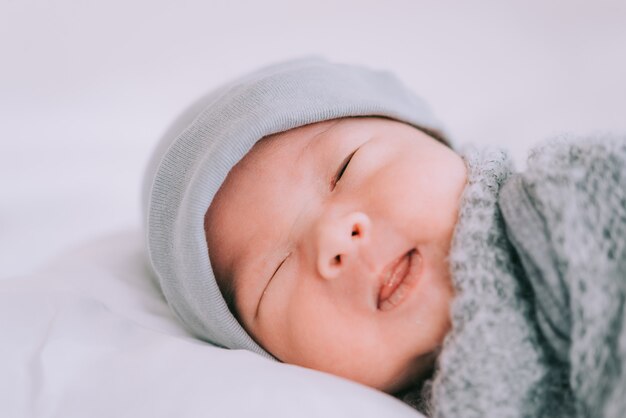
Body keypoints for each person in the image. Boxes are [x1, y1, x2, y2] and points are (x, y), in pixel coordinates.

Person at [143, 57, 626, 417]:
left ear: (432, 138)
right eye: (274, 272)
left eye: (344, 168)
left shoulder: (574, 194)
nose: (336, 239)